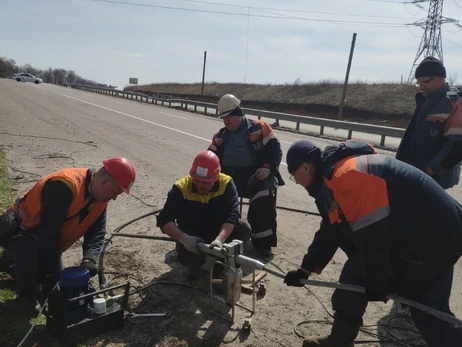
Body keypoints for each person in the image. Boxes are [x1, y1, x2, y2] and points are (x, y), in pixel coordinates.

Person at [283, 139, 462, 347]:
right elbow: (330, 230)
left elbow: (374, 237)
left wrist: (377, 279)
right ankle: (340, 340)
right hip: (420, 232)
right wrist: (305, 270)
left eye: (293, 174)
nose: (295, 181)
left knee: (429, 312)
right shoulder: (330, 179)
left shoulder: (346, 176)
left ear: (305, 167)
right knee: (354, 276)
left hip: (431, 237)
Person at [1, 157, 136, 310]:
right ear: (104, 182)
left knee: (57, 284)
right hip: (20, 232)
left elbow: (97, 232)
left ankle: (11, 265)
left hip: (47, 240)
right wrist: (51, 275)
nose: (114, 198)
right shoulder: (64, 185)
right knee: (38, 266)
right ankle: (27, 297)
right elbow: (49, 232)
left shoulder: (100, 199)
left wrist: (89, 259)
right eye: (115, 192)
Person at [208, 94, 284, 258]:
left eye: (228, 117)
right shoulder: (219, 136)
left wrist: (267, 169)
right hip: (228, 175)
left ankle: (263, 243)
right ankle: (219, 234)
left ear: (238, 113)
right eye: (223, 118)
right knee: (209, 191)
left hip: (255, 175)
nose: (225, 121)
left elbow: (276, 151)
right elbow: (210, 156)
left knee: (264, 192)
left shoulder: (259, 128)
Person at [156, 150, 251, 280]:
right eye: (196, 181)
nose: (200, 186)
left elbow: (232, 214)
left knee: (243, 228)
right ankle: (194, 266)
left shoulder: (226, 184)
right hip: (192, 233)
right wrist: (184, 239)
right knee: (190, 259)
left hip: (218, 229)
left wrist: (220, 239)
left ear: (216, 177)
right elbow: (164, 219)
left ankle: (222, 267)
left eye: (205, 182)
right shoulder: (181, 188)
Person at [396, 56, 462, 190]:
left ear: (440, 79)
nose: (421, 87)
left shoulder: (454, 103)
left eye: (425, 82)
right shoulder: (424, 101)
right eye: (418, 83)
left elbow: (457, 146)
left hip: (432, 179)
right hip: (413, 174)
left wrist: (430, 170)